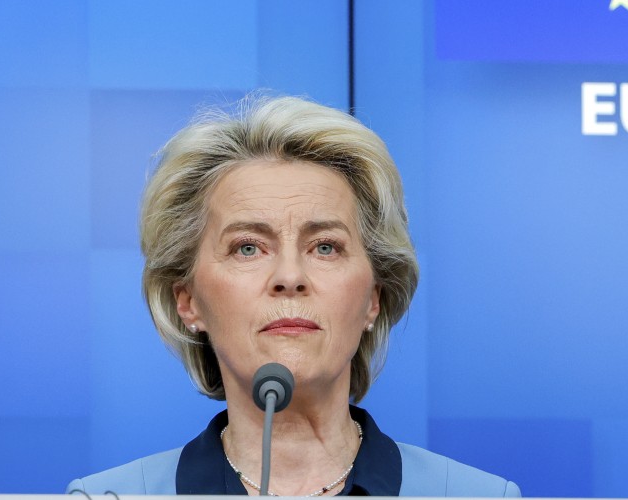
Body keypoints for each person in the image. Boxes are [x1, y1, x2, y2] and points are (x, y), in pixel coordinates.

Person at [66, 95, 520, 497]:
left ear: (373, 299)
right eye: (248, 247)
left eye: (325, 246)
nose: (289, 276)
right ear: (188, 301)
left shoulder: (478, 496)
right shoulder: (110, 497)